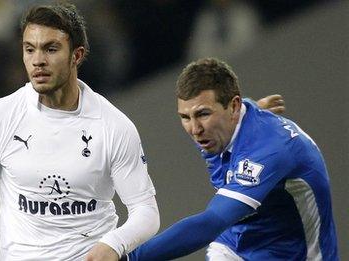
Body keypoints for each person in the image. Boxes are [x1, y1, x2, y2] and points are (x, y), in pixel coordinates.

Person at [0, 3, 161, 261]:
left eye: (51, 49)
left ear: (77, 55)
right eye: (30, 49)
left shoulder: (114, 127)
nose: (38, 60)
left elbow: (146, 211)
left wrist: (114, 244)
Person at [124, 58, 338, 260]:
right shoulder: (222, 124)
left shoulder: (268, 151)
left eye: (203, 114)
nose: (195, 129)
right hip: (234, 245)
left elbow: (212, 222)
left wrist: (128, 257)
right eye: (185, 117)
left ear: (234, 107)